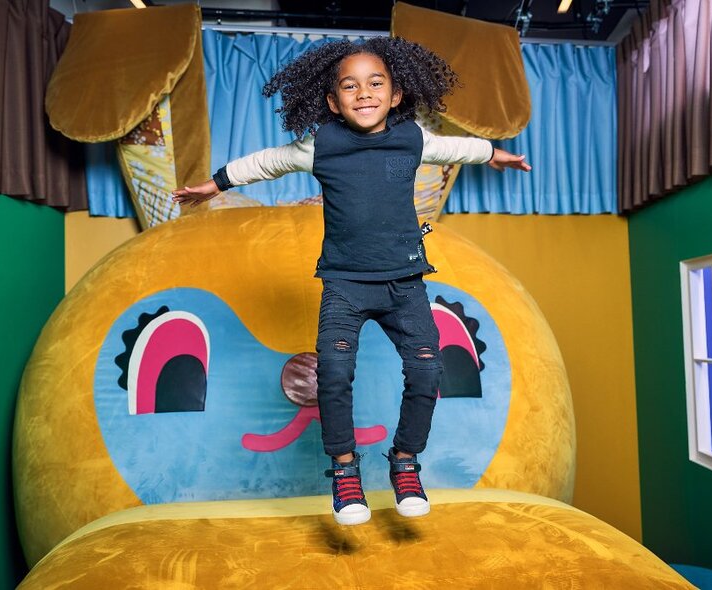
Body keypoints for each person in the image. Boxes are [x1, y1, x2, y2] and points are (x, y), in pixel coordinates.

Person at [172, 37, 531, 526]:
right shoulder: (323, 144)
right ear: (332, 101)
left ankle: (405, 462)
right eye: (350, 86)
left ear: (397, 94)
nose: (364, 93)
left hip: (405, 283)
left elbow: (457, 147)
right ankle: (344, 472)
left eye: (375, 83)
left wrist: (494, 154)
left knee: (428, 372)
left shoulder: (412, 138)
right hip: (344, 284)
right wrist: (215, 184)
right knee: (334, 378)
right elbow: (266, 162)